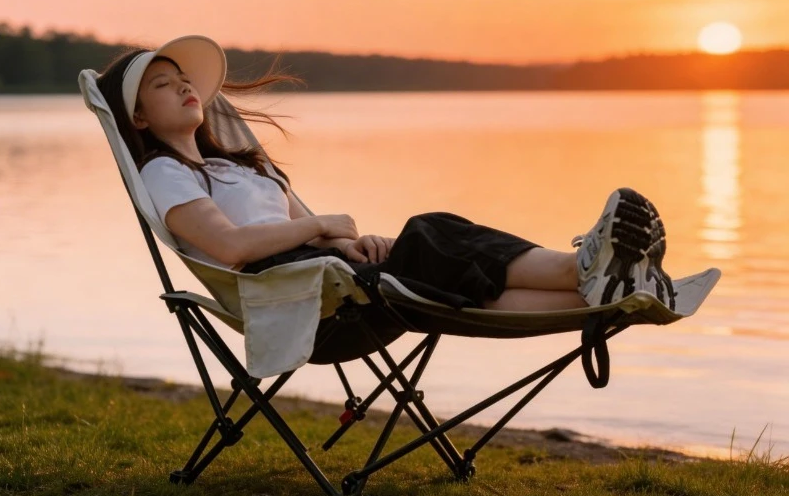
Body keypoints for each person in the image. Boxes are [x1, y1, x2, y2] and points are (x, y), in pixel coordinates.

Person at [97, 35, 675, 314]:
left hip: (325, 269)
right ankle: (593, 269)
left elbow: (317, 230)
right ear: (140, 118)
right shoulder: (166, 174)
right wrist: (324, 226)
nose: (185, 87)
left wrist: (349, 240)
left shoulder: (236, 165)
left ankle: (605, 289)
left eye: (185, 79)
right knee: (433, 240)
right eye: (163, 85)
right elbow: (231, 246)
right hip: (286, 290)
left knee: (441, 251)